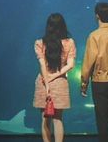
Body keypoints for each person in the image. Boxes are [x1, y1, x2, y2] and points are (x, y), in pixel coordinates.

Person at [81, 2, 108, 142]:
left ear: (97, 16)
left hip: (100, 81)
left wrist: (84, 83)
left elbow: (88, 62)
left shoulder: (94, 36)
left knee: (102, 117)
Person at [33, 13, 76, 142]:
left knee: (45, 119)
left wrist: (47, 84)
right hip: (60, 82)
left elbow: (42, 66)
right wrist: (55, 76)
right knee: (58, 119)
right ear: (63, 26)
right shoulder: (69, 42)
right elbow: (70, 65)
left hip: (42, 81)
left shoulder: (39, 43)